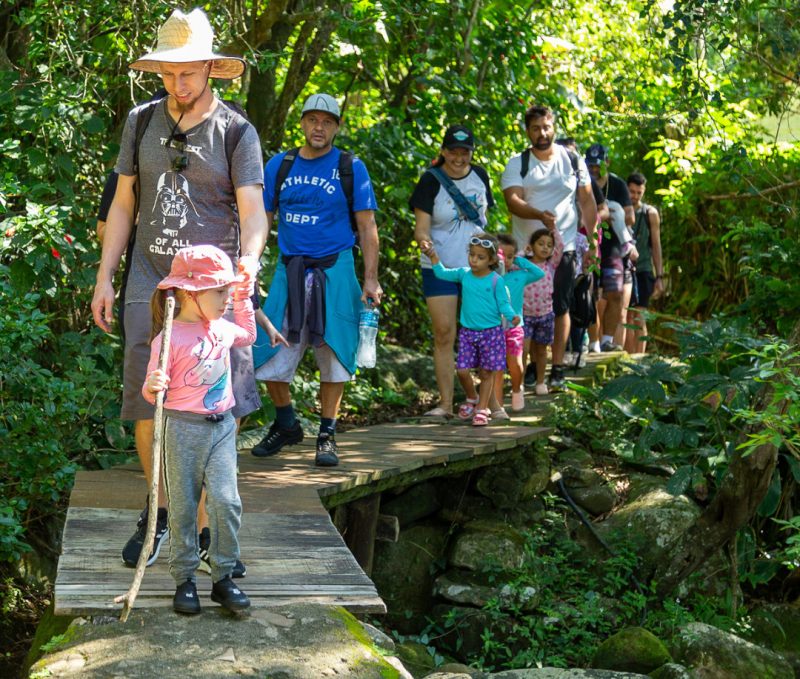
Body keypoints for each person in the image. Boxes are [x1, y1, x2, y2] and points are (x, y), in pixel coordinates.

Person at [90, 8, 268, 570]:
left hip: (216, 291)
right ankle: (161, 511)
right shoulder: (140, 122)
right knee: (150, 399)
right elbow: (123, 204)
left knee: (222, 402)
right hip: (150, 280)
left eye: (188, 73)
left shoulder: (237, 131)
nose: (178, 84)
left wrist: (251, 264)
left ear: (212, 69)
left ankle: (207, 523)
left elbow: (254, 212)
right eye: (168, 73)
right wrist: (104, 275)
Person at [251, 92, 382, 467]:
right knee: (268, 346)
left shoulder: (349, 167)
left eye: (327, 121)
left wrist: (370, 279)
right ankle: (287, 421)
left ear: (337, 126)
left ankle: (327, 434)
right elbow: (262, 219)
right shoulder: (281, 164)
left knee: (335, 352)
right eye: (312, 120)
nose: (318, 127)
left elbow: (367, 225)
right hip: (288, 268)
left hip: (335, 268)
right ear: (303, 123)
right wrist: (251, 267)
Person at [142, 245, 274, 614]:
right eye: (220, 292)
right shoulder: (168, 337)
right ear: (189, 292)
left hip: (222, 429)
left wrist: (245, 294)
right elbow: (150, 392)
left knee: (226, 501)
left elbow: (248, 334)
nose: (225, 298)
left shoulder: (221, 327)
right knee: (183, 508)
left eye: (227, 291)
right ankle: (184, 579)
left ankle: (222, 576)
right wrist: (152, 384)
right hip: (182, 429)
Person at [501, 105, 597, 390]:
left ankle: (557, 367)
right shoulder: (517, 163)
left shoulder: (572, 160)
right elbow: (512, 201)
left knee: (560, 307)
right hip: (526, 253)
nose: (541, 133)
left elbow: (587, 202)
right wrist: (539, 215)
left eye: (546, 127)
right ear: (527, 131)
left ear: (553, 126)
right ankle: (533, 366)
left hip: (563, 248)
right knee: (526, 309)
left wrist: (591, 242)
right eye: (535, 128)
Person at [410, 125, 494, 419]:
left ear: (471, 153)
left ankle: (488, 404)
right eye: (453, 151)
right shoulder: (430, 181)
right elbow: (421, 226)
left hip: (479, 269)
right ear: (444, 151)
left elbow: (485, 222)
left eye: (465, 151)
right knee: (444, 332)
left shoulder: (481, 176)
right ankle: (446, 404)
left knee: (484, 333)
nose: (459, 157)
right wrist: (425, 244)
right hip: (440, 266)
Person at [420, 233, 519, 426]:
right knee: (462, 370)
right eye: (472, 255)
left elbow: (504, 304)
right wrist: (433, 256)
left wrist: (512, 316)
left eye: (480, 257)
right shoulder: (464, 274)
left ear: (491, 260)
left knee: (486, 372)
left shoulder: (496, 281)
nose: (474, 260)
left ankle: (482, 410)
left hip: (491, 333)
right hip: (468, 333)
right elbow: (441, 273)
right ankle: (472, 397)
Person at [584, 143, 636, 352]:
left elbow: (630, 216)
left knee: (614, 294)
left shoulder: (618, 184)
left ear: (607, 163)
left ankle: (607, 340)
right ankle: (593, 342)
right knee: (589, 295)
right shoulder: (582, 184)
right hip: (588, 243)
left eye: (598, 166)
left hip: (613, 245)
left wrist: (611, 211)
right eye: (590, 166)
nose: (594, 170)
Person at [495, 232, 544, 410]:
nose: (505, 260)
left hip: (514, 328)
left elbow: (538, 272)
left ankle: (517, 389)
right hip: (492, 328)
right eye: (501, 255)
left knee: (515, 364)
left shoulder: (518, 276)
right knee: (496, 367)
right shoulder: (485, 278)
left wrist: (517, 259)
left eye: (509, 256)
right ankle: (497, 408)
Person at [625, 172, 664, 353]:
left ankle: (639, 358)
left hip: (643, 270)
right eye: (631, 191)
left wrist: (660, 275)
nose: (634, 196)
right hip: (624, 270)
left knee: (640, 316)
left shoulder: (650, 213)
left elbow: (656, 246)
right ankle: (626, 359)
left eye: (638, 192)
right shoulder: (619, 209)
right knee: (626, 316)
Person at [523, 225, 563, 395]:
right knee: (522, 351)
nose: (545, 247)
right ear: (531, 246)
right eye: (540, 243)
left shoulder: (551, 265)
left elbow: (560, 247)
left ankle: (540, 382)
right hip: (524, 315)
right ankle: (519, 383)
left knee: (541, 350)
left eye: (548, 244)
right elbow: (510, 261)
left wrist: (553, 228)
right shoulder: (523, 264)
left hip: (545, 315)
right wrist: (523, 252)